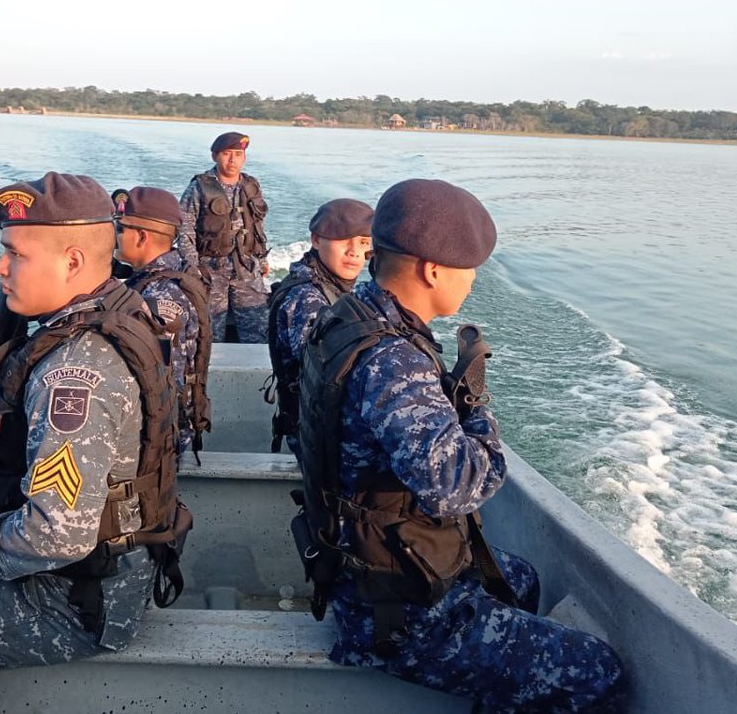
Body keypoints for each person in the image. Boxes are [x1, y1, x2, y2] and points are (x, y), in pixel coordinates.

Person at [295, 179, 623, 712]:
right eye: (470, 269)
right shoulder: (393, 360)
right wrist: (476, 409)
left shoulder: (352, 317)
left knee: (520, 578)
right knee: (597, 673)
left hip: (362, 562)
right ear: (433, 270)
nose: (472, 282)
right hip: (397, 609)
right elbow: (458, 488)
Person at [0, 173, 188, 714]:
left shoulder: (72, 373)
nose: (0, 269)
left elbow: (55, 538)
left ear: (71, 261)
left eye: (14, 255)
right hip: (107, 570)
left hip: (81, 599)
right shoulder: (110, 313)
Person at [266, 198, 373, 458]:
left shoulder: (333, 287)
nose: (354, 252)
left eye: (362, 242)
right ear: (316, 240)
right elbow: (328, 378)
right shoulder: (307, 299)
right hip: (317, 439)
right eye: (343, 240)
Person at [113, 185, 213, 459]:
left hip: (159, 440)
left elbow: (161, 379)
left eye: (121, 229)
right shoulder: (172, 272)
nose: (116, 236)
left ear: (142, 236)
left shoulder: (160, 296)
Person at [177, 131, 270, 343]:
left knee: (257, 330)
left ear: (244, 158)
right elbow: (185, 227)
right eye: (227, 153)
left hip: (246, 267)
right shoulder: (199, 187)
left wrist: (262, 260)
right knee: (209, 330)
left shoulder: (251, 186)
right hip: (211, 269)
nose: (232, 160)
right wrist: (192, 266)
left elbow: (257, 226)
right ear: (215, 156)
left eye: (238, 154)